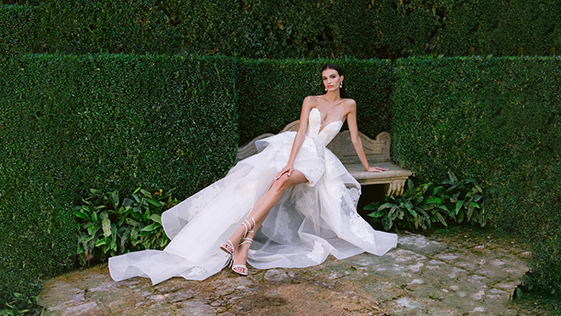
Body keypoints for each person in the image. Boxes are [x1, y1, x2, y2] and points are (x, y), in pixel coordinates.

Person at [108, 63, 398, 284]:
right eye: (324, 78)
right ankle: (242, 244)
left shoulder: (349, 105)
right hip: (294, 150)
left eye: (332, 77)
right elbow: (299, 134)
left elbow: (357, 138)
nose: (327, 82)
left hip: (319, 159)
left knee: (281, 182)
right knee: (269, 182)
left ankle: (238, 235)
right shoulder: (311, 100)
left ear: (341, 79)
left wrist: (369, 165)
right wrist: (290, 160)